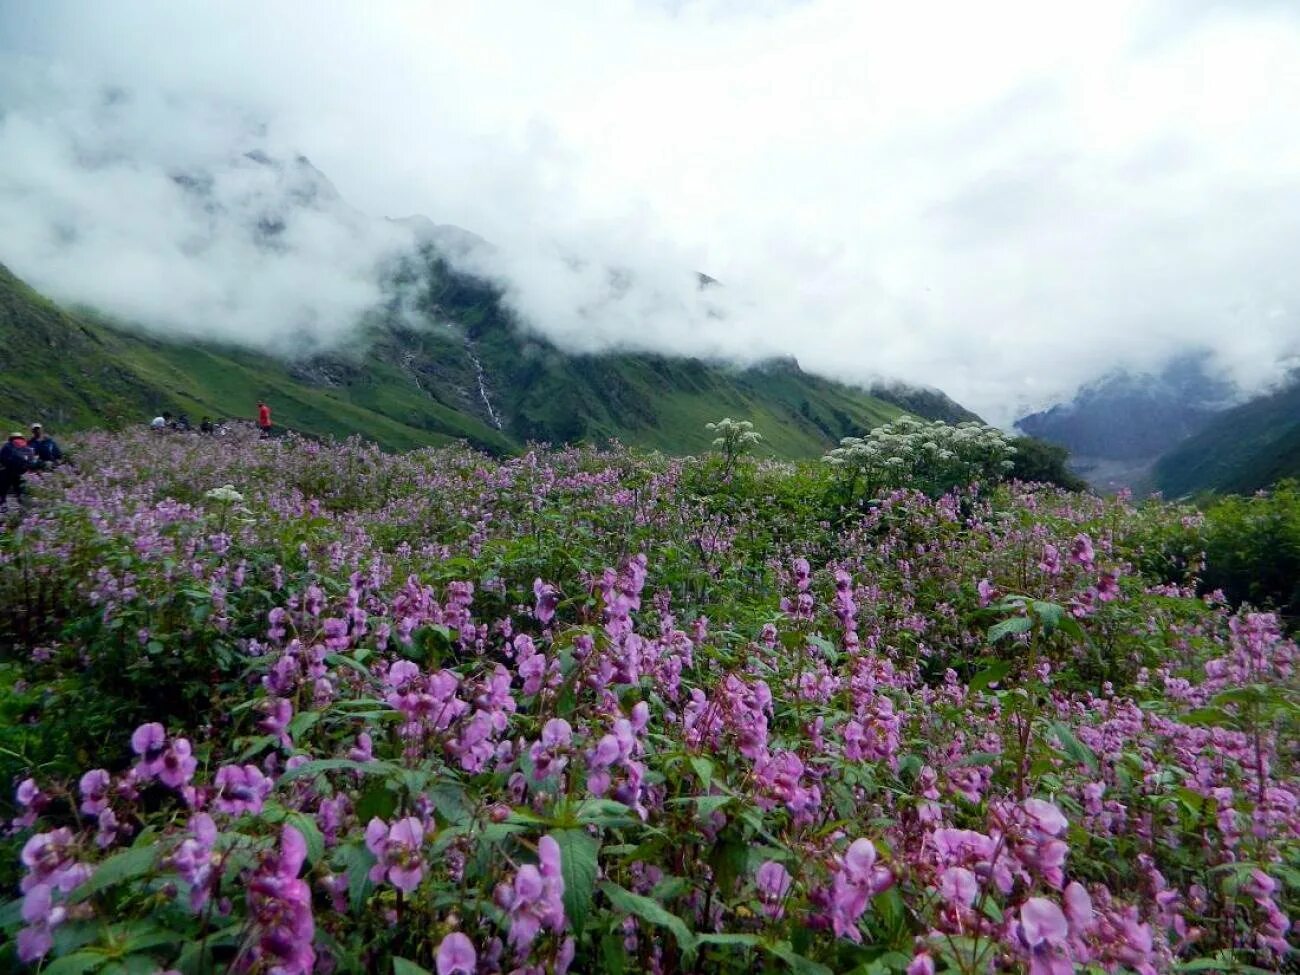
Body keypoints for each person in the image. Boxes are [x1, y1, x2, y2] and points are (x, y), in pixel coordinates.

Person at [1, 432, 36, 508]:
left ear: (10, 438)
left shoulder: (7, 446)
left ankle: (3, 506)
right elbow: (31, 461)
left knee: (3, 489)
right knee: (20, 490)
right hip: (22, 472)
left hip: (8, 471)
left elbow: (2, 458)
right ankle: (23, 507)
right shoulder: (26, 446)